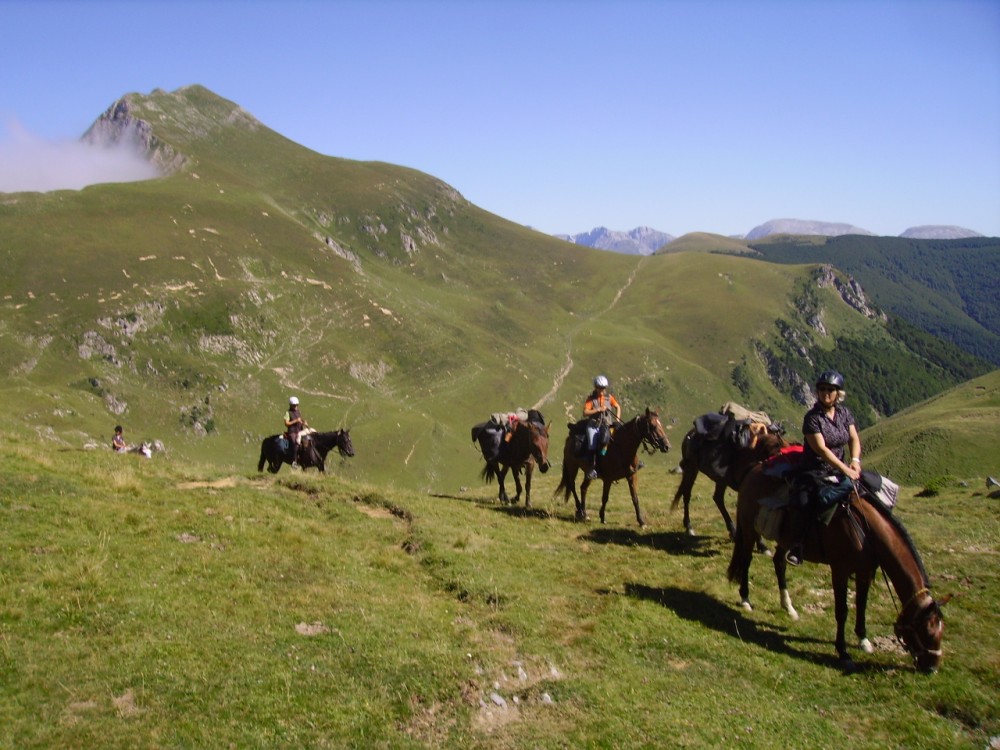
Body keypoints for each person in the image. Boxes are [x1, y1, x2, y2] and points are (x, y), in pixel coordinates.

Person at [786, 370, 862, 566]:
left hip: (840, 468)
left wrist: (855, 460)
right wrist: (845, 469)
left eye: (830, 389)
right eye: (822, 389)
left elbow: (853, 438)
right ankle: (797, 546)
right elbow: (821, 449)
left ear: (838, 393)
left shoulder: (845, 414)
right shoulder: (812, 418)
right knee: (804, 502)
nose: (826, 393)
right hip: (814, 470)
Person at [582, 375, 621, 479]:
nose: (601, 390)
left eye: (603, 388)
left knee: (619, 440)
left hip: (607, 425)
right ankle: (591, 469)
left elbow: (617, 407)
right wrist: (598, 409)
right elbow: (585, 412)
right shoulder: (591, 399)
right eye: (600, 387)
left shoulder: (608, 398)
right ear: (596, 387)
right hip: (594, 426)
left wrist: (617, 420)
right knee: (592, 444)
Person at [284, 396, 308, 465]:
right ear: (291, 405)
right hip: (292, 432)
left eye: (297, 405)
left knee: (307, 441)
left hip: (300, 431)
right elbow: (286, 423)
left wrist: (304, 423)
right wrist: (295, 421)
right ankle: (294, 461)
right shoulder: (288, 413)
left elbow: (300, 420)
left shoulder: (298, 412)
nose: (296, 407)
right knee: (296, 443)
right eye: (294, 405)